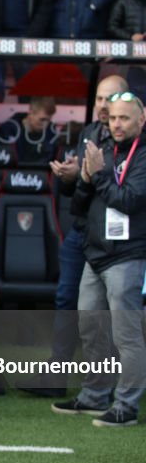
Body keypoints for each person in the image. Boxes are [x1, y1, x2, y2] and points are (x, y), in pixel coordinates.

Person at [20, 75, 128, 397]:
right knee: (67, 300)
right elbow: (77, 195)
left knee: (110, 310)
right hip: (81, 231)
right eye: (99, 99)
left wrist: (89, 175)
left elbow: (123, 192)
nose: (104, 106)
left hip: (116, 237)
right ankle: (57, 375)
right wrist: (71, 176)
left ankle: (108, 382)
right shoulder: (90, 133)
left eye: (111, 99)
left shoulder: (133, 139)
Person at [51, 90, 146, 427]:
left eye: (124, 118)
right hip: (96, 253)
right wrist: (80, 179)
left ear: (141, 119)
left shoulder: (143, 154)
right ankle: (94, 395)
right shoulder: (102, 148)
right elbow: (79, 206)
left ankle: (126, 405)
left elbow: (130, 200)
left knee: (126, 334)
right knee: (91, 328)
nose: (116, 124)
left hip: (129, 255)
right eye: (113, 117)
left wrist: (99, 175)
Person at [0, 96, 59, 164]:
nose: (45, 124)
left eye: (48, 120)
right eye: (42, 120)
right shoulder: (9, 129)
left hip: (42, 172)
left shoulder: (51, 130)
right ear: (31, 112)